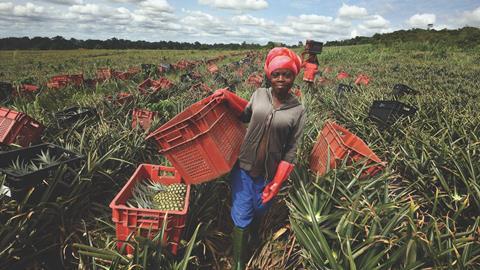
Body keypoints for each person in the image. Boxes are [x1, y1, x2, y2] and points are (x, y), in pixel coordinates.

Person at [211, 47, 306, 270]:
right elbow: (243, 115)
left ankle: (253, 239)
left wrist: (276, 184)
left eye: (286, 74)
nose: (281, 79)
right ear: (269, 76)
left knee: (259, 209)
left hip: (270, 174)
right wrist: (226, 96)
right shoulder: (259, 95)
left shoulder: (298, 110)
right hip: (244, 168)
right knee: (242, 213)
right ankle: (239, 262)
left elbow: (292, 150)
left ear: (294, 77)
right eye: (276, 74)